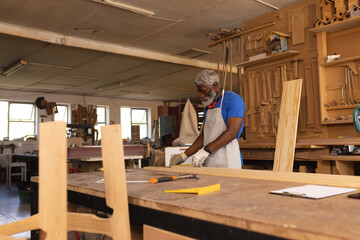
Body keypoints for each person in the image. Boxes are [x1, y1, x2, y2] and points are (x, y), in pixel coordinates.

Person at [170, 69, 245, 169]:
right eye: (199, 92)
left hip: (228, 160)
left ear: (214, 86)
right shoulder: (209, 106)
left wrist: (205, 150)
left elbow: (232, 132)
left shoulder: (233, 100)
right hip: (209, 160)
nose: (201, 95)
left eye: (203, 91)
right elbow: (203, 136)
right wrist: (184, 155)